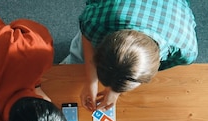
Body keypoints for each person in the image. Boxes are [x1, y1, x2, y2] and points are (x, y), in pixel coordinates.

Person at [62, 0, 198, 111]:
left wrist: (115, 91)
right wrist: (91, 81)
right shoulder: (97, 21)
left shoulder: (185, 50)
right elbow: (87, 34)